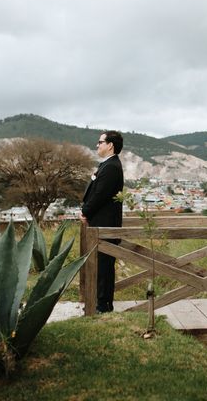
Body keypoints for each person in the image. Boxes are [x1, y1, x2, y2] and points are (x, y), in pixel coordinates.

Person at [81, 130, 124, 313]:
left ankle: (103, 305)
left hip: (106, 225)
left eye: (100, 142)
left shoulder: (112, 167)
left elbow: (100, 195)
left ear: (110, 145)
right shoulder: (107, 165)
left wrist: (85, 211)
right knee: (101, 266)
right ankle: (101, 303)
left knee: (105, 267)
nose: (97, 145)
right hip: (100, 224)